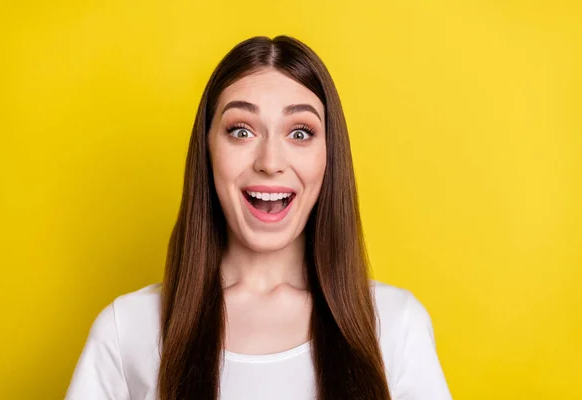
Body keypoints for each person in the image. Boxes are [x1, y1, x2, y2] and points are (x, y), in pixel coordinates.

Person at [65, 35, 452, 400]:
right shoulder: (127, 328)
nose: (270, 163)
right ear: (208, 151)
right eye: (241, 131)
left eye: (300, 133)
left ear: (329, 156)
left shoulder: (396, 325)